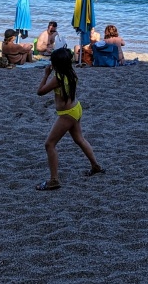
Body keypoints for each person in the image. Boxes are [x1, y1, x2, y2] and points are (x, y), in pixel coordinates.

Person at [35, 47, 103, 190]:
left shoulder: (57, 78)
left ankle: (54, 180)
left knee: (49, 144)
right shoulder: (72, 73)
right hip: (76, 108)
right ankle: (95, 166)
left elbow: (40, 92)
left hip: (67, 114)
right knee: (80, 139)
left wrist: (46, 75)